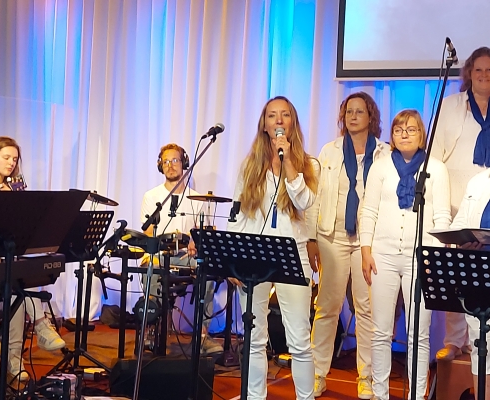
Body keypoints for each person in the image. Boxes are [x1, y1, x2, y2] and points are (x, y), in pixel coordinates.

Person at [228, 96, 320, 400]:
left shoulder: (309, 164)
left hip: (292, 255)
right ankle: (255, 396)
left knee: (299, 341)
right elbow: (238, 215)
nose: (278, 120)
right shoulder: (250, 166)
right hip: (254, 255)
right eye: (272, 115)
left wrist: (288, 162)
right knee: (254, 338)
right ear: (264, 125)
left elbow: (304, 202)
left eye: (284, 115)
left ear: (292, 122)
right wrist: (233, 259)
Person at [360, 110, 451, 400]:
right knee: (380, 331)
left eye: (411, 129)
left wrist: (436, 258)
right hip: (382, 256)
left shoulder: (436, 168)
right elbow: (369, 211)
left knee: (418, 333)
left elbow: (442, 217)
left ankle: (417, 394)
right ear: (392, 135)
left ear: (422, 134)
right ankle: (380, 393)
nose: (405, 134)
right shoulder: (381, 166)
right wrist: (365, 250)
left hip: (420, 259)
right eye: (399, 130)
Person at [306, 91, 389, 399]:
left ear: (371, 117)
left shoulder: (384, 153)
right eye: (349, 111)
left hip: (368, 241)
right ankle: (317, 373)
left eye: (360, 111)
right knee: (327, 305)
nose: (353, 116)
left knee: (366, 308)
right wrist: (311, 237)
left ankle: (366, 377)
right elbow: (315, 196)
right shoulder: (329, 151)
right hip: (332, 236)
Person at [432, 46, 490, 361]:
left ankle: (483, 342)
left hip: (488, 202)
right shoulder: (452, 105)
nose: (484, 75)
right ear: (469, 73)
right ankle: (455, 340)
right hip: (457, 203)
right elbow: (436, 156)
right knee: (458, 274)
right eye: (478, 69)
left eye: (489, 70)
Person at [140, 143, 222, 355]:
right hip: (160, 255)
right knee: (151, 269)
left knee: (207, 270)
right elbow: (147, 233)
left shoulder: (196, 199)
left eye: (175, 160)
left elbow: (203, 232)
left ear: (184, 163)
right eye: (166, 161)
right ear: (160, 166)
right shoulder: (151, 196)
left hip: (186, 256)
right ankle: (151, 330)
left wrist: (196, 241)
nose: (170, 165)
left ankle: (202, 335)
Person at [0, 136, 65, 383]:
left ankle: (15, 359)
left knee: (17, 287)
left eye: (15, 159)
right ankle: (41, 326)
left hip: (6, 263)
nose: (11, 163)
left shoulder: (14, 189)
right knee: (17, 285)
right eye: (6, 157)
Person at [450, 169, 490, 399]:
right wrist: (462, 241)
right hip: (478, 273)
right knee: (481, 347)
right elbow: (461, 223)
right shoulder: (478, 181)